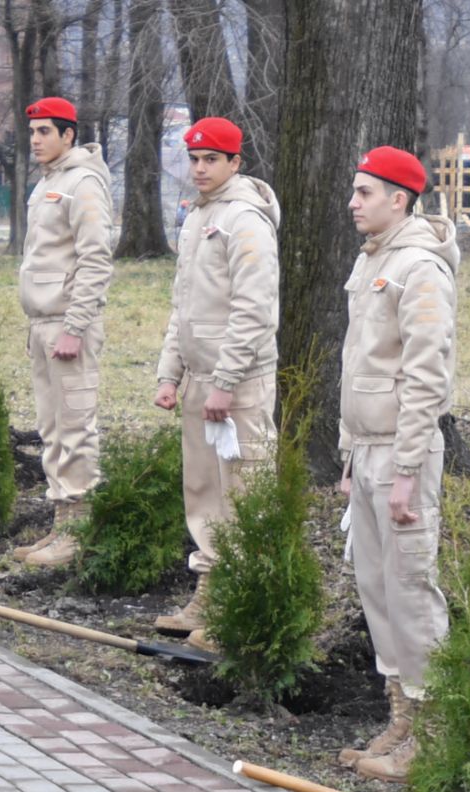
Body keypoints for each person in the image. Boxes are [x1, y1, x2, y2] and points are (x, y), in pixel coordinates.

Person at [336, 147, 458, 784]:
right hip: (369, 448)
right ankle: (401, 719)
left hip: (404, 455)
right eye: (355, 192)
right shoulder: (373, 261)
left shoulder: (420, 269)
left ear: (400, 199)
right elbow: (358, 363)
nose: (354, 202)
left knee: (410, 591)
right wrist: (351, 453)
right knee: (378, 591)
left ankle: (431, 734)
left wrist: (407, 468)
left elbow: (425, 377)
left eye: (365, 192)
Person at [152, 117, 281, 648]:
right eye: (194, 159)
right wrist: (170, 373)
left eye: (212, 159)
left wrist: (226, 382)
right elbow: (184, 306)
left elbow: (255, 310)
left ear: (235, 162)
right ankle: (208, 588)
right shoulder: (198, 217)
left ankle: (238, 603)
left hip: (239, 383)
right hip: (201, 379)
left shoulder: (245, 220)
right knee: (203, 489)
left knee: (242, 491)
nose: (200, 168)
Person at [12, 97, 115, 567]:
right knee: (51, 426)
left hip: (69, 325)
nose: (36, 140)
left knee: (74, 425)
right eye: (33, 132)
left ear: (69, 135)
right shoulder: (50, 182)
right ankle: (60, 521)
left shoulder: (84, 182)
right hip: (44, 322)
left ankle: (77, 529)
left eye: (46, 132)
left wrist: (74, 326)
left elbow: (95, 258)